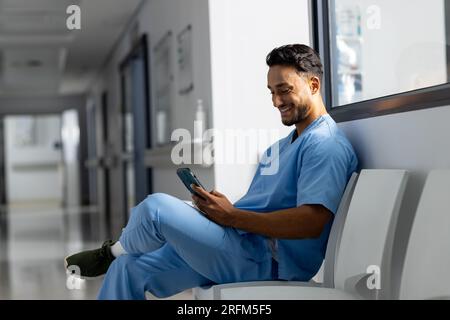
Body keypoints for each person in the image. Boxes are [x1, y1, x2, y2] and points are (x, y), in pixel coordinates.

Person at [64, 44, 359, 300]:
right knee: (127, 269)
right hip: (238, 242)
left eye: (284, 90)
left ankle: (111, 251)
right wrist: (218, 210)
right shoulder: (281, 147)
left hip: (268, 260)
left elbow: (312, 222)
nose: (276, 101)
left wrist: (232, 216)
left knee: (155, 208)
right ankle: (118, 256)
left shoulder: (324, 145)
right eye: (271, 92)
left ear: (314, 85)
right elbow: (262, 205)